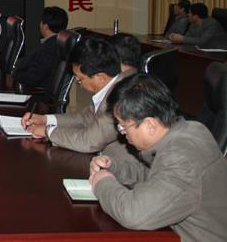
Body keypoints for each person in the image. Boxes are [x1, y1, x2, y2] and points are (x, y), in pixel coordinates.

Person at [89, 73, 227, 241]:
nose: (123, 133)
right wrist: (114, 169)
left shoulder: (182, 157)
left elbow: (134, 214)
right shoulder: (190, 129)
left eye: (123, 127)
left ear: (150, 125)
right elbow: (157, 178)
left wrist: (102, 183)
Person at [21, 38, 135, 155]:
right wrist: (45, 119)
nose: (77, 83)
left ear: (100, 77)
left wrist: (47, 131)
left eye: (80, 79)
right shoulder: (112, 85)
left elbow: (88, 141)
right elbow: (85, 118)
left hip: (117, 164)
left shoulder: (121, 97)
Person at [11, 6, 68, 89]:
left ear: (45, 26)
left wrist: (15, 73)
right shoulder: (59, 44)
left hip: (38, 92)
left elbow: (33, 77)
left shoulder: (49, 49)